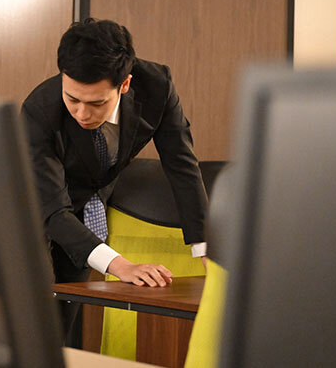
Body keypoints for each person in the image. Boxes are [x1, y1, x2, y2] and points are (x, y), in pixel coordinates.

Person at [21, 18, 208, 340]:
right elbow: (51, 209)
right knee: (36, 321)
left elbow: (182, 166)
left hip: (88, 206)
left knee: (66, 321)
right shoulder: (40, 109)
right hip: (36, 209)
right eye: (72, 100)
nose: (82, 114)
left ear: (125, 85)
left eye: (96, 103)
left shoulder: (157, 86)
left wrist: (205, 248)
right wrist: (121, 266)